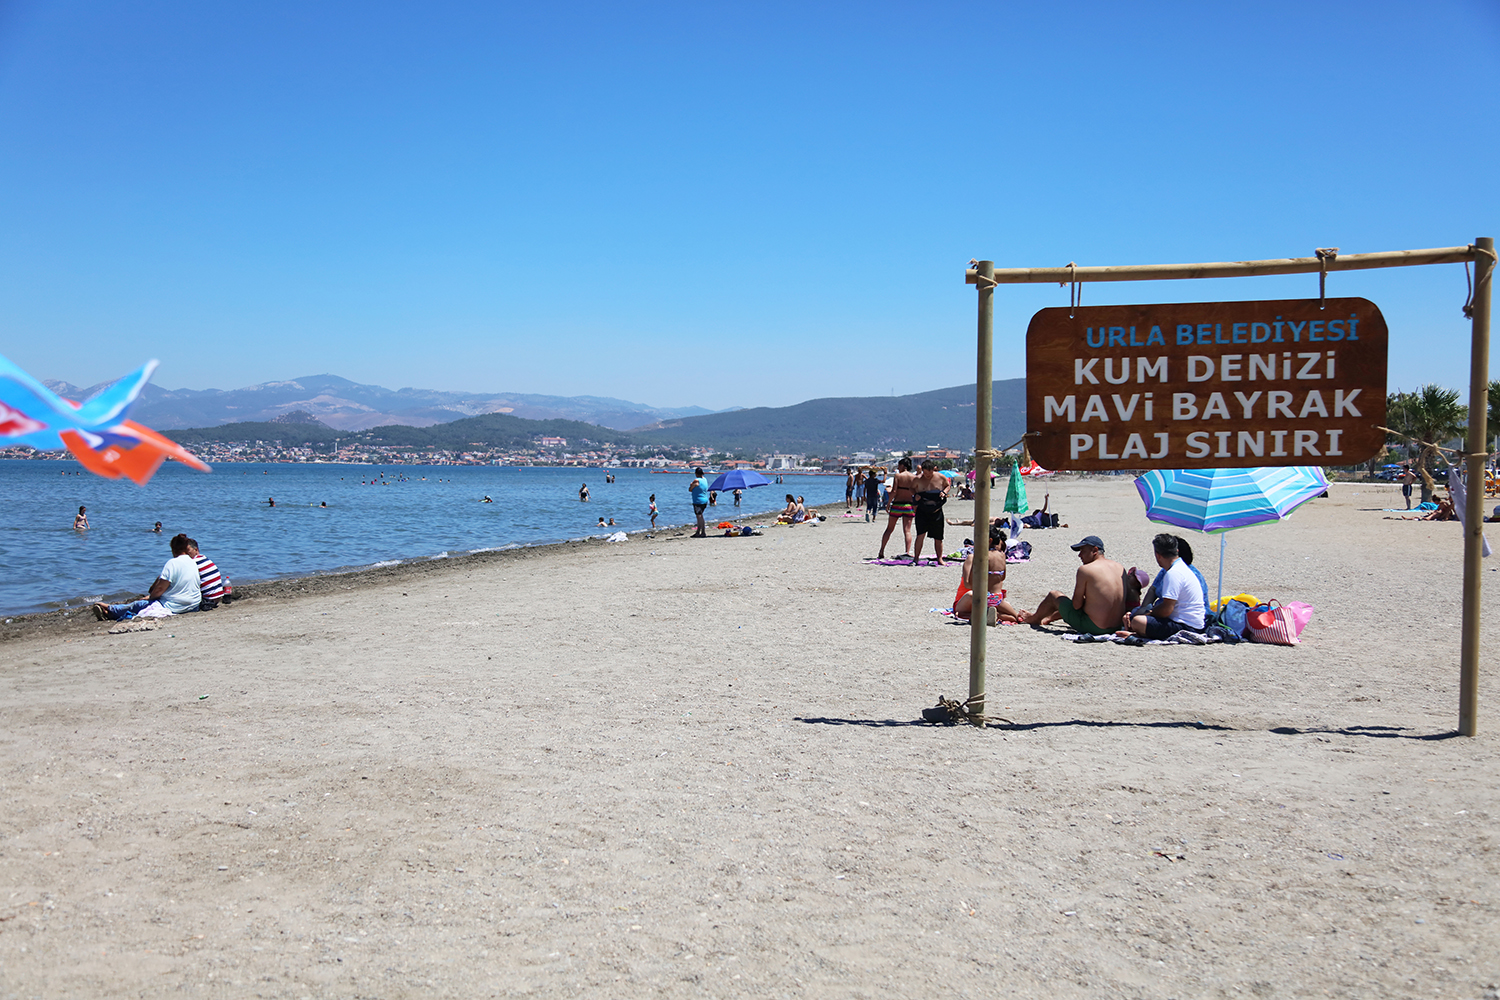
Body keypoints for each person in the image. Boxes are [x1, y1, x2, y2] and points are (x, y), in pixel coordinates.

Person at [1022, 535, 1130, 636]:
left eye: (1083, 551)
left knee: (1054, 595)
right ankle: (1048, 618)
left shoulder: (1086, 570)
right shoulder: (1120, 567)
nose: (1079, 555)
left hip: (1096, 627)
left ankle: (1034, 618)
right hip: (1116, 626)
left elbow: (1076, 605)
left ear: (1095, 551)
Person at [91, 533, 202, 621]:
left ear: (173, 549)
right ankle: (109, 612)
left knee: (138, 604)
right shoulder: (192, 562)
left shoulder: (172, 563)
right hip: (194, 604)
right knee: (141, 604)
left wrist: (151, 597)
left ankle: (110, 609)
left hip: (177, 606)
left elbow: (159, 589)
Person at [1121, 533, 1208, 639]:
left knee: (1138, 621)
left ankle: (1136, 631)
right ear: (1177, 551)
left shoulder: (1174, 573)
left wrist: (1147, 614)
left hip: (1186, 626)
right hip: (1192, 622)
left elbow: (1166, 610)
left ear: (1158, 555)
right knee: (1135, 615)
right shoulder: (1180, 567)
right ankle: (1136, 630)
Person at [953, 523, 1023, 625]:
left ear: (989, 540)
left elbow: (969, 584)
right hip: (997, 597)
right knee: (1010, 611)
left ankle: (985, 614)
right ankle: (1011, 616)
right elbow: (1003, 577)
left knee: (963, 609)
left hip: (980, 597)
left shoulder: (977, 557)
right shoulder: (1002, 555)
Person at [910, 460, 950, 566]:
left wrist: (944, 492)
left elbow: (947, 486)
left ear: (934, 469)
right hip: (922, 511)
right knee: (920, 535)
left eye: (929, 473)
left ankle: (940, 559)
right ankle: (916, 558)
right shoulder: (917, 479)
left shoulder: (940, 477)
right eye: (925, 473)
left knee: (938, 537)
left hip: (936, 511)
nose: (927, 476)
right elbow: (911, 488)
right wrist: (915, 495)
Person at [877, 458, 918, 558]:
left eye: (899, 466)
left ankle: (881, 551)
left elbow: (894, 491)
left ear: (903, 466)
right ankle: (907, 552)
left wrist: (888, 503)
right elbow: (916, 493)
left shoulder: (898, 476)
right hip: (908, 505)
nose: (898, 468)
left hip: (897, 505)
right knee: (907, 530)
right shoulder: (914, 477)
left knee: (889, 529)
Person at [186, 537, 229, 609]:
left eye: (188, 550)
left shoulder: (193, 562)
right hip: (216, 598)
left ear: (196, 550)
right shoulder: (204, 558)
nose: (185, 553)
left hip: (207, 600)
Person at [688, 467, 710, 537]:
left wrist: (691, 485)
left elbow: (690, 489)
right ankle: (699, 531)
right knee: (700, 516)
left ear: (696, 473)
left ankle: (702, 532)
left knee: (699, 516)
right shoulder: (705, 479)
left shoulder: (696, 480)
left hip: (698, 501)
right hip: (704, 500)